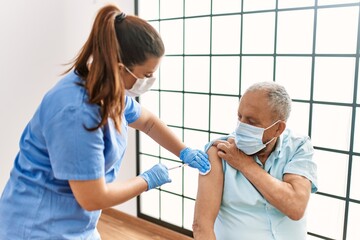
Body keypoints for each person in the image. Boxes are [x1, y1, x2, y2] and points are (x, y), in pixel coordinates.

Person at [0, 4, 210, 239]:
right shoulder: (76, 112)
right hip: (36, 226)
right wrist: (147, 180)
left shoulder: (109, 88)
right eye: (147, 74)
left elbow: (148, 122)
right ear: (121, 68)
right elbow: (93, 197)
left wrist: (183, 151)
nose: (150, 80)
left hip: (75, 221)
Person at [192, 82, 318, 240]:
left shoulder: (298, 147)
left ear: (278, 129)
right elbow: (201, 226)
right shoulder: (218, 152)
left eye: (251, 122)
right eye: (239, 117)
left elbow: (295, 207)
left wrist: (244, 164)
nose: (240, 127)